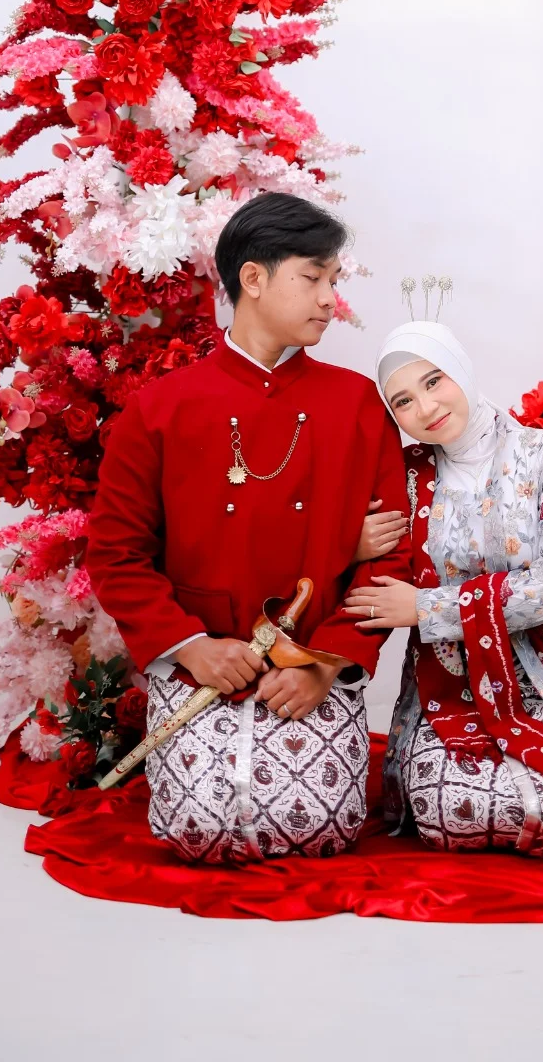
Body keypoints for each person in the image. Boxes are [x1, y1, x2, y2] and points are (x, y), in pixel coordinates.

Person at [85, 194, 412, 863]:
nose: (329, 299)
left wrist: (325, 662)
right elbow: (116, 554)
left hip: (313, 672)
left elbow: (388, 560)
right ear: (253, 278)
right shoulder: (159, 410)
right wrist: (191, 647)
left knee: (315, 827)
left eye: (333, 281)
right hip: (201, 669)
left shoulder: (357, 406)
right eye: (312, 278)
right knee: (198, 827)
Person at [343, 321, 543, 856]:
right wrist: (351, 545)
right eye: (403, 401)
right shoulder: (406, 476)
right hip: (448, 686)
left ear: (461, 368)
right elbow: (343, 553)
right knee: (447, 813)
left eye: (434, 381)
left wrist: (424, 608)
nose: (426, 408)